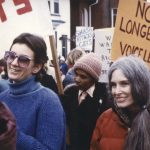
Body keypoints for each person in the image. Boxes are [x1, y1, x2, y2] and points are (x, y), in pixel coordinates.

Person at [0, 33, 66, 150]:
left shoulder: (48, 101)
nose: (14, 63)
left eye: (23, 59)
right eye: (11, 56)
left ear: (37, 67)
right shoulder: (2, 98)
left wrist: (11, 133)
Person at [90, 55, 150, 150]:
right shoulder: (105, 118)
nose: (116, 91)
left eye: (124, 84)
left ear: (140, 85)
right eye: (113, 85)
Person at [61, 53, 110, 150]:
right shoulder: (69, 92)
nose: (77, 79)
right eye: (76, 74)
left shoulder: (104, 97)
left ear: (94, 78)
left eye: (83, 77)